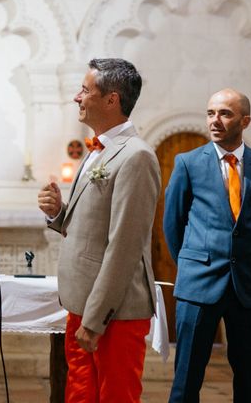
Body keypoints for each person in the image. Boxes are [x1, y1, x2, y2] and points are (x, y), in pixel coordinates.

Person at [38, 58, 160, 402]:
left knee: (115, 396)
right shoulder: (96, 150)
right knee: (80, 395)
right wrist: (59, 212)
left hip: (113, 312)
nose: (77, 97)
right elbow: (91, 227)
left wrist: (95, 320)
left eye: (85, 90)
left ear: (112, 99)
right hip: (82, 302)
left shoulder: (136, 156)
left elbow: (124, 244)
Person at [164, 89, 251, 403]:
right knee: (186, 381)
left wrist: (244, 257)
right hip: (198, 284)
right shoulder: (187, 163)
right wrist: (192, 263)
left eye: (225, 113)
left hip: (249, 285)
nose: (215, 120)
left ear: (245, 120)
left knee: (250, 381)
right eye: (211, 113)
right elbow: (172, 224)